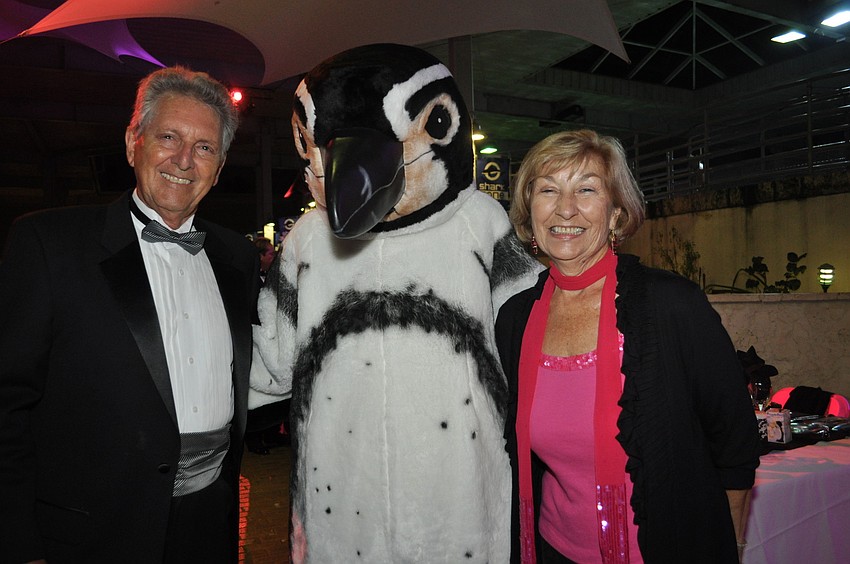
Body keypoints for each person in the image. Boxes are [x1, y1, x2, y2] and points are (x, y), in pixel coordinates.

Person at [0, 66, 259, 563]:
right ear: (132, 142)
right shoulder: (50, 245)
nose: (184, 160)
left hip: (211, 523)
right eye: (168, 137)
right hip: (90, 533)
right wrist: (19, 542)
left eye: (204, 147)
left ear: (220, 166)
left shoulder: (237, 259)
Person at [496, 130, 761, 564]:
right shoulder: (514, 318)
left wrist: (728, 544)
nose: (566, 208)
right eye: (548, 190)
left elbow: (733, 444)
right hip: (551, 550)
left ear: (616, 212)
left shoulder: (671, 304)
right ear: (530, 211)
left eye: (586, 189)